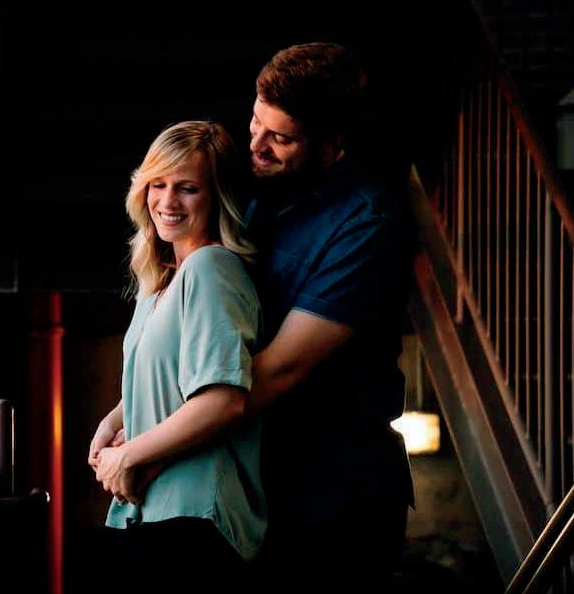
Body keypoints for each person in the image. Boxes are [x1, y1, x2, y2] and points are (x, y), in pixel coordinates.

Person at [242, 42, 415, 590]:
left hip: (335, 502)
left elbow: (281, 369)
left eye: (281, 137)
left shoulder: (367, 222)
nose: (257, 144)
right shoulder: (264, 194)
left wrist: (156, 438)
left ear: (333, 143)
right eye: (256, 122)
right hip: (261, 479)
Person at [87, 120, 264, 592]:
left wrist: (127, 456)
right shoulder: (160, 283)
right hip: (150, 516)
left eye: (187, 188)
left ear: (216, 197)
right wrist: (112, 423)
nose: (167, 201)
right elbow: (167, 379)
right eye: (158, 184)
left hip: (194, 517)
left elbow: (222, 400)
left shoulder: (211, 268)